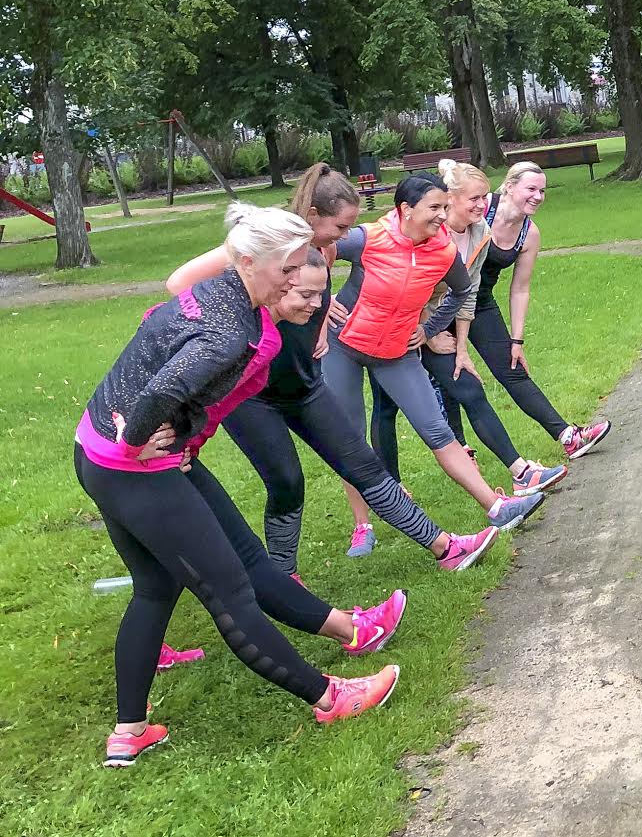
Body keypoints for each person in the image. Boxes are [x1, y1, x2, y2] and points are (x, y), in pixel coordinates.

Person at [78, 204, 401, 768]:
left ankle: (128, 732)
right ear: (250, 262)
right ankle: (330, 697)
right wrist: (139, 439)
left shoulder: (223, 294)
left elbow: (157, 350)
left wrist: (175, 434)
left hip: (94, 454)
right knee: (232, 593)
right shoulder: (232, 330)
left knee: (156, 588)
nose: (297, 277)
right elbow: (165, 386)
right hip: (135, 468)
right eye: (289, 268)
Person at [165, 164, 534, 575]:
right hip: (257, 390)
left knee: (362, 461)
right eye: (340, 227)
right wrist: (245, 315)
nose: (346, 236)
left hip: (307, 379)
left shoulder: (325, 249)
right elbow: (180, 283)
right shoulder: (274, 243)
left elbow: (331, 294)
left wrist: (326, 316)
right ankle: (285, 577)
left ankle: (449, 547)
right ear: (314, 218)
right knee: (288, 484)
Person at [353, 160, 569, 551]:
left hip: (430, 327)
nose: (483, 205)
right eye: (475, 198)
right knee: (385, 408)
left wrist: (455, 343)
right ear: (448, 200)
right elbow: (404, 285)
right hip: (390, 332)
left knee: (468, 389)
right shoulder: (418, 231)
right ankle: (391, 492)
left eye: (486, 197)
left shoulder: (477, 233)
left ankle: (519, 473)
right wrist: (428, 332)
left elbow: (463, 294)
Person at [447, 160, 612, 463]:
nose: (538, 196)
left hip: (479, 303)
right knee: (453, 380)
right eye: (531, 189)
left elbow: (520, 288)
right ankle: (459, 449)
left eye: (542, 191)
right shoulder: (481, 208)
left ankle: (568, 437)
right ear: (509, 187)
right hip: (441, 302)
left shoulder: (529, 233)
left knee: (513, 370)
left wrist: (517, 340)